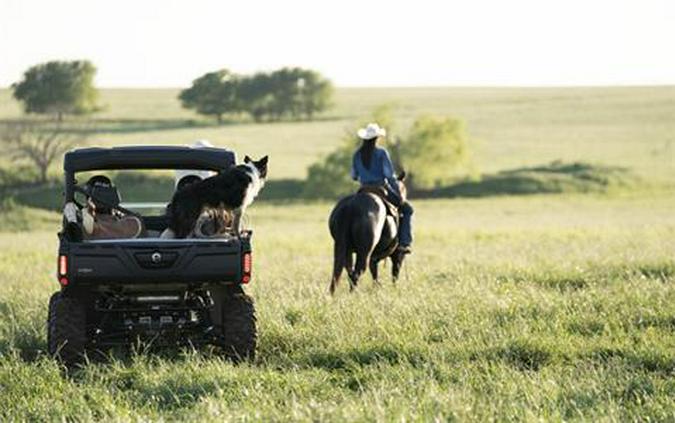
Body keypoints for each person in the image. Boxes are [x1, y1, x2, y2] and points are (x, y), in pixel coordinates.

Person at [351, 122, 413, 254]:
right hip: (380, 188)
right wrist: (397, 184)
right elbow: (389, 175)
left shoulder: (357, 155)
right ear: (377, 138)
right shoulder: (381, 153)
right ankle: (403, 243)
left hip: (363, 189)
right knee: (407, 209)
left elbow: (354, 176)